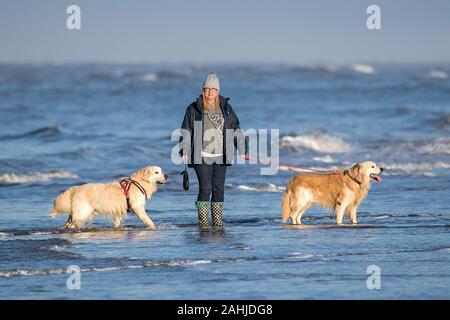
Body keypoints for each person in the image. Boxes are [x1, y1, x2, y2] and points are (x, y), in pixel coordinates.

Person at [180, 73, 247, 228]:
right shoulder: (194, 108)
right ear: (203, 90)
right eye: (207, 89)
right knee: (206, 188)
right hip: (201, 155)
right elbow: (186, 130)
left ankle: (217, 224)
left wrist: (242, 148)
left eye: (213, 89)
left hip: (221, 155)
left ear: (218, 91)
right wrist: (184, 149)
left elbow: (235, 128)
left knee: (218, 189)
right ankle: (203, 224)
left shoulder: (226, 108)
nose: (209, 92)